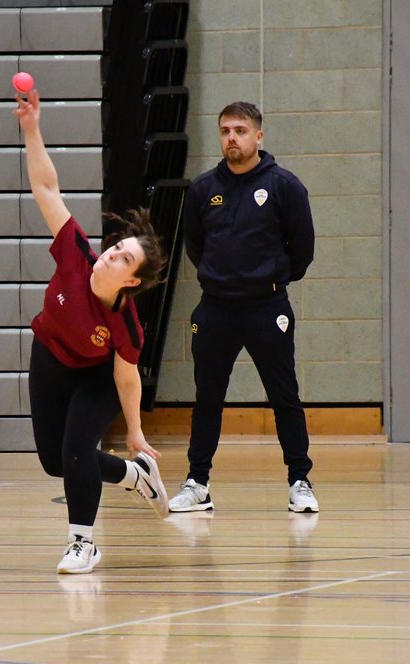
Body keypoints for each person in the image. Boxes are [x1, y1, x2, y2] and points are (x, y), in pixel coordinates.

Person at [15, 87, 171, 574]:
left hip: (95, 378)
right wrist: (32, 128)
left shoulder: (125, 323)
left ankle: (83, 543)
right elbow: (46, 190)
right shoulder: (74, 252)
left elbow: (127, 379)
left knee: (79, 449)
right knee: (55, 462)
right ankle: (132, 477)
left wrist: (137, 432)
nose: (113, 253)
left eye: (125, 257)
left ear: (132, 280)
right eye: (118, 246)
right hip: (49, 359)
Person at [169, 101, 319, 515]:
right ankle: (198, 482)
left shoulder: (284, 186)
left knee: (284, 395)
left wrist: (268, 277)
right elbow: (195, 248)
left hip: (267, 307)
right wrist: (222, 278)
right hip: (216, 309)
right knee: (208, 398)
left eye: (240, 130)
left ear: (258, 136)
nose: (231, 138)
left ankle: (299, 480)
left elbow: (302, 249)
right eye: (224, 131)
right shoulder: (202, 190)